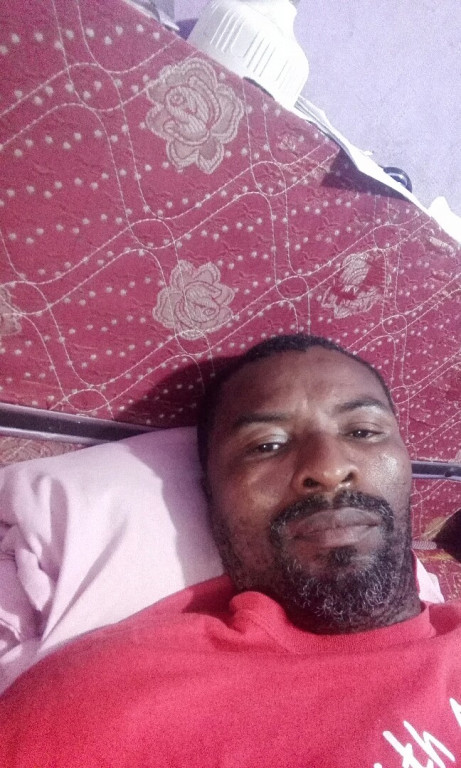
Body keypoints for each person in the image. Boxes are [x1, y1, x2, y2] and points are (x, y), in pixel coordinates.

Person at [0, 334, 460, 767]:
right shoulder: (107, 709)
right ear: (211, 495)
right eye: (268, 445)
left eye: (363, 431)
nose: (328, 467)